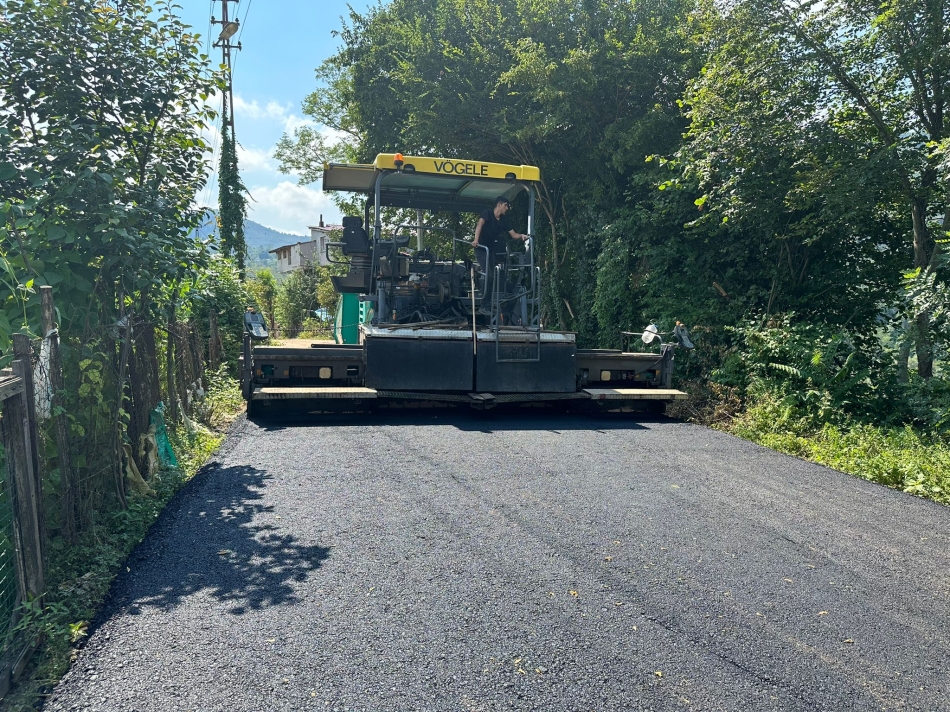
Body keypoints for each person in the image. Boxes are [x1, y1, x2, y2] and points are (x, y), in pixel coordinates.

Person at [472, 196, 528, 305]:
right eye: (505, 205)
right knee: (489, 275)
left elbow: (513, 234)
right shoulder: (487, 213)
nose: (507, 208)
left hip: (491, 249)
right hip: (481, 248)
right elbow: (479, 225)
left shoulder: (504, 220)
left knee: (492, 276)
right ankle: (484, 303)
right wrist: (476, 240)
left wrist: (521, 235)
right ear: (499, 205)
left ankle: (487, 302)